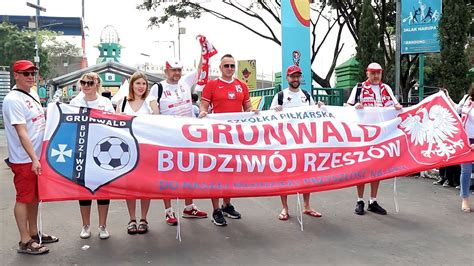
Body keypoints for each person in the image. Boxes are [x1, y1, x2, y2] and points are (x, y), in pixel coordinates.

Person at [2, 60, 59, 255]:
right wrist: (34, 158)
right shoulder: (12, 99)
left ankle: (34, 233)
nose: (30, 77)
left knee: (35, 197)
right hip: (25, 159)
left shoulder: (32, 93)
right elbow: (21, 132)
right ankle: (24, 240)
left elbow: (39, 117)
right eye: (25, 74)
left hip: (37, 156)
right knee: (24, 198)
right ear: (16, 75)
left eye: (32, 73)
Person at [199, 54, 257, 226]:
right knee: (216, 171)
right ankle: (216, 209)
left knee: (230, 171)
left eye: (232, 66)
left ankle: (226, 205)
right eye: (227, 66)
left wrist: (252, 111)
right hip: (217, 136)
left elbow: (247, 106)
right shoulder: (212, 85)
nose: (230, 69)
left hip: (235, 137)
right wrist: (203, 112)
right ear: (220, 68)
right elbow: (204, 104)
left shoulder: (241, 86)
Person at [149, 58, 207, 225]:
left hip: (187, 138)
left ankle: (189, 207)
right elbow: (154, 108)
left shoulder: (185, 82)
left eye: (179, 70)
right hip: (167, 138)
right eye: (173, 70)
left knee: (189, 173)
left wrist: (203, 50)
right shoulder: (158, 87)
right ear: (165, 71)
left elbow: (201, 68)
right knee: (167, 176)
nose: (177, 73)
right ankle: (169, 211)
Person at [346, 62, 402, 215]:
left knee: (377, 169)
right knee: (362, 169)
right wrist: (354, 107)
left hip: (381, 136)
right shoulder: (359, 88)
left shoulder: (386, 89)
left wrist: (398, 107)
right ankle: (360, 200)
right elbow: (347, 108)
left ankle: (373, 200)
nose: (376, 76)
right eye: (373, 73)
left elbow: (396, 106)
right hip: (363, 136)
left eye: (379, 73)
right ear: (367, 73)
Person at [270, 65, 323, 221]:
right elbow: (268, 118)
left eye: (298, 76)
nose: (295, 79)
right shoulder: (280, 96)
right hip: (285, 142)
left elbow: (315, 114)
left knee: (306, 174)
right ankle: (284, 208)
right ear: (287, 78)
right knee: (285, 175)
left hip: (304, 141)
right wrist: (276, 111)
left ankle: (307, 206)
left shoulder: (306, 95)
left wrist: (319, 107)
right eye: (292, 76)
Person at [69, 72, 114, 239]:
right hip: (82, 150)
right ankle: (85, 225)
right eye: (83, 82)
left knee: (103, 189)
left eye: (90, 82)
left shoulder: (105, 102)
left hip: (104, 153)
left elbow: (114, 125)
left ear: (97, 84)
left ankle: (103, 225)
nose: (86, 85)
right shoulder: (75, 102)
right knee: (84, 190)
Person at [116, 72, 159, 233]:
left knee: (145, 185)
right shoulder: (123, 102)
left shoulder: (151, 101)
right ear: (131, 85)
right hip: (126, 149)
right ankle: (132, 219)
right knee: (130, 185)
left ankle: (143, 219)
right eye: (138, 83)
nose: (141, 87)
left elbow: (158, 123)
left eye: (144, 84)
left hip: (146, 149)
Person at [446, 86, 474, 212]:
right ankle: (465, 199)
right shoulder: (467, 98)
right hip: (465, 140)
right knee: (466, 170)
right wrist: (447, 98)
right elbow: (457, 109)